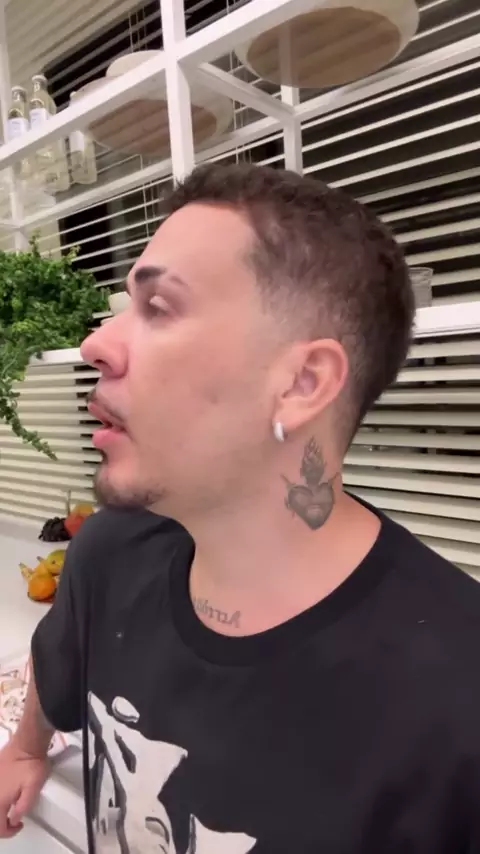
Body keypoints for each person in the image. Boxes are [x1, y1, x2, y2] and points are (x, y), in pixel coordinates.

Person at [0, 163, 479, 854]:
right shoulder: (110, 554)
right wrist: (24, 749)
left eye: (158, 307)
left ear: (302, 383)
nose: (95, 343)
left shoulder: (457, 702)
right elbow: (59, 670)